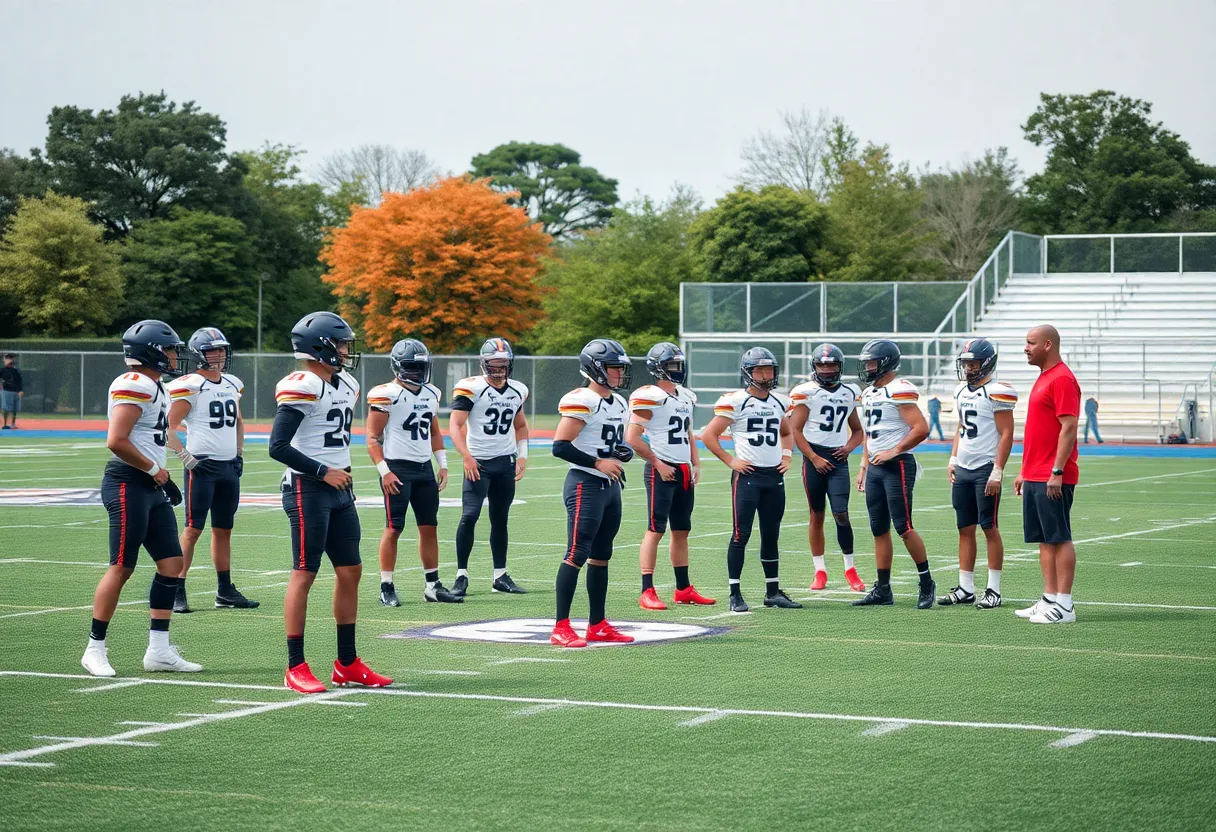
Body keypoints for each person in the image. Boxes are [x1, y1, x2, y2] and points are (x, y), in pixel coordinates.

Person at [270, 311, 392, 693]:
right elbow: (278, 446)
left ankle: (347, 662)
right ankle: (295, 665)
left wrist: (338, 473)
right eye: (340, 344)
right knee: (304, 573)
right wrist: (324, 471)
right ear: (320, 346)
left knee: (351, 571)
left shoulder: (346, 383)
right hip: (308, 488)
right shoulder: (303, 384)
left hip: (340, 490)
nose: (345, 351)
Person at [81, 320, 202, 677]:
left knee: (171, 564)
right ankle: (94, 648)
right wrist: (157, 472)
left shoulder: (156, 386)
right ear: (149, 350)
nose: (172, 356)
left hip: (149, 484)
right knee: (122, 566)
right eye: (167, 349)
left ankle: (159, 650)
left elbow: (151, 437)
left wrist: (161, 475)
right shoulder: (133, 383)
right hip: (127, 483)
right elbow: (116, 440)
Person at [550, 339, 637, 647]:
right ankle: (561, 626)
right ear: (595, 369)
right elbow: (560, 446)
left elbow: (606, 441)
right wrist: (598, 462)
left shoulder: (619, 403)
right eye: (613, 368)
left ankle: (597, 624)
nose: (618, 374)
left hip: (609, 487)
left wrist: (619, 453)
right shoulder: (583, 399)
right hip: (585, 484)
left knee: (602, 556)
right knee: (577, 553)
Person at [701, 347, 802, 613]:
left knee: (771, 535)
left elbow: (787, 432)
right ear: (748, 372)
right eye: (760, 370)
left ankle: (772, 592)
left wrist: (787, 455)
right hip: (748, 477)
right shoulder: (736, 401)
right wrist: (730, 460)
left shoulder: (780, 401)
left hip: (773, 476)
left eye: (769, 369)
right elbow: (709, 436)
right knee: (740, 534)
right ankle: (734, 593)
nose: (766, 375)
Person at [165, 327, 258, 613]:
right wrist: (185, 457)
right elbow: (167, 427)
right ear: (198, 355)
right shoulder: (190, 385)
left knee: (224, 529)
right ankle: (176, 588)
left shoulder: (232, 383)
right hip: (202, 466)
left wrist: (240, 453)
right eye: (212, 350)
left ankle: (225, 590)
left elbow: (239, 422)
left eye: (221, 350)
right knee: (193, 529)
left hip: (229, 465)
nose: (218, 355)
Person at [366, 338, 459, 606]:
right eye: (411, 367)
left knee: (429, 527)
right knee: (394, 528)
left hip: (423, 469)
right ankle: (386, 585)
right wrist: (384, 471)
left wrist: (442, 464)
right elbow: (372, 438)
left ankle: (432, 585)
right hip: (397, 468)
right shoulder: (386, 394)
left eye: (421, 367)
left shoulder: (431, 393)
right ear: (398, 366)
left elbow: (434, 431)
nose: (417, 372)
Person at [626, 342, 714, 610]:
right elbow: (632, 437)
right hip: (661, 469)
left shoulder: (685, 396)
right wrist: (657, 462)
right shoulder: (649, 395)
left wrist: (695, 462)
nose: (678, 370)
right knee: (656, 529)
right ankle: (647, 590)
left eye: (679, 364)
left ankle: (683, 588)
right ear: (658, 368)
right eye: (671, 365)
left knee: (682, 531)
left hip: (683, 469)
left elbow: (687, 432)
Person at [851, 339, 936, 609]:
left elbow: (921, 428)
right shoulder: (870, 393)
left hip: (897, 465)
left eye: (872, 362)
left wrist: (895, 450)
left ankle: (926, 582)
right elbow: (869, 434)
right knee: (878, 529)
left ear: (886, 363)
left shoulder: (899, 389)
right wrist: (864, 464)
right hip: (876, 467)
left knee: (903, 526)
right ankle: (883, 589)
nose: (867, 367)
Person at [449, 338, 530, 596]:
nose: (498, 370)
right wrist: (466, 456)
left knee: (500, 518)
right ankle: (461, 575)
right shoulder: (471, 388)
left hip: (505, 462)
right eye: (493, 365)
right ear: (484, 365)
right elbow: (455, 425)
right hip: (479, 463)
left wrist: (523, 456)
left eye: (503, 365)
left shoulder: (518, 390)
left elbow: (520, 426)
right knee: (470, 516)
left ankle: (500, 576)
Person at [941, 338, 1016, 609]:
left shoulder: (996, 391)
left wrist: (997, 470)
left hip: (985, 467)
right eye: (966, 363)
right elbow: (961, 427)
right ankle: (965, 587)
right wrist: (952, 458)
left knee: (989, 527)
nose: (969, 368)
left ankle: (994, 590)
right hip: (964, 467)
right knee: (964, 528)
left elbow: (1007, 433)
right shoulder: (962, 392)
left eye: (973, 363)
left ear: (986, 364)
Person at [1015, 325, 1081, 624]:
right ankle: (1049, 598)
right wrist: (1023, 470)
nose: (1026, 349)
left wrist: (1056, 471)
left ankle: (1065, 606)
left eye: (1030, 343)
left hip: (1053, 474)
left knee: (1059, 537)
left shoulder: (1063, 379)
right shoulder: (1044, 378)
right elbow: (1039, 431)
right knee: (1044, 538)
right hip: (1035, 472)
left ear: (1047, 344)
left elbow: (1068, 427)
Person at [787, 343, 866, 593]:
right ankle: (819, 570)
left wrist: (848, 448)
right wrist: (812, 457)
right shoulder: (806, 392)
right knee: (816, 515)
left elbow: (858, 431)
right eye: (822, 364)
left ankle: (850, 569)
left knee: (841, 514)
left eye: (831, 364)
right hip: (814, 457)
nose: (827, 369)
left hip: (837, 458)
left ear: (839, 367)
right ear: (814, 366)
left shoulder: (849, 392)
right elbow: (795, 430)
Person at [1, 353, 22, 429]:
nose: (13, 360)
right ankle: (5, 424)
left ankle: (13, 424)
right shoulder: (3, 370)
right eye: (11, 358)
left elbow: (19, 380)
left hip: (15, 391)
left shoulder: (16, 370)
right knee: (6, 408)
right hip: (7, 391)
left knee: (14, 408)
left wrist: (20, 390)